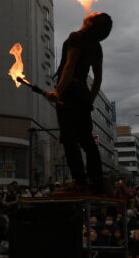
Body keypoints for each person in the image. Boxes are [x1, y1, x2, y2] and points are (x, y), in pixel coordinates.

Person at [45, 12, 112, 195]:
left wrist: (58, 91)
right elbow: (97, 78)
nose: (90, 11)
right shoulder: (97, 47)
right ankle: (96, 183)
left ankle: (79, 183)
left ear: (90, 22)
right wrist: (89, 100)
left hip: (70, 90)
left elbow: (69, 66)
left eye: (94, 14)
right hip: (82, 93)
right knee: (87, 140)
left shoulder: (76, 37)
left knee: (69, 137)